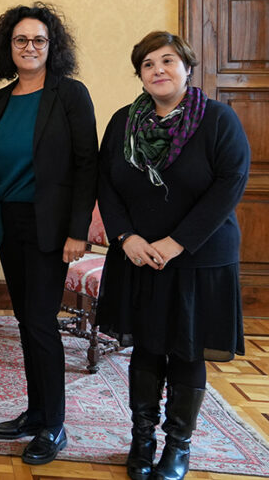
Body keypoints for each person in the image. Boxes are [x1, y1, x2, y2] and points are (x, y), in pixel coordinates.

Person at [96, 32, 249, 480]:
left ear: (187, 67)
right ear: (140, 75)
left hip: (199, 257)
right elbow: (106, 183)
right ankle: (142, 441)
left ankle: (177, 447)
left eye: (168, 60)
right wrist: (125, 237)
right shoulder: (123, 121)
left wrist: (175, 242)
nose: (158, 69)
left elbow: (230, 185)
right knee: (146, 346)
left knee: (185, 351)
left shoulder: (219, 121)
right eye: (147, 63)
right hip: (137, 254)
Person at [0, 2, 97, 464]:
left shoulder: (69, 95)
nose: (30, 47)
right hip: (11, 222)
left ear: (53, 47)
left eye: (39, 40)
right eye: (21, 40)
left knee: (42, 323)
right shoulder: (2, 99)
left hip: (51, 226)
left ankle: (54, 425)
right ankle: (34, 412)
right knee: (27, 321)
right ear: (7, 47)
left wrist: (77, 232)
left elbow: (87, 165)